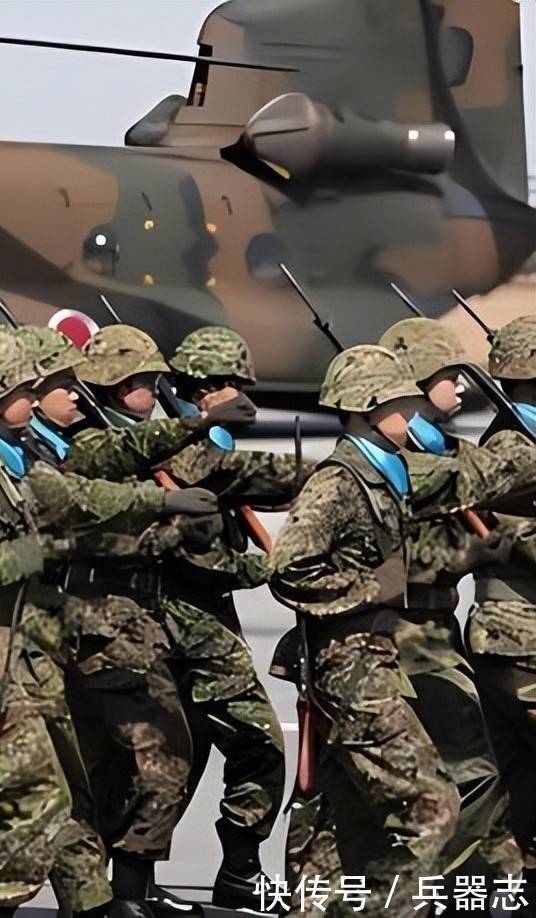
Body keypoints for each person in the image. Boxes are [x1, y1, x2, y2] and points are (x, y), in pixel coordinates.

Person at [0, 326, 203, 918]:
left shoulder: (11, 457)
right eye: (26, 389)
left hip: (17, 652)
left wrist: (161, 502)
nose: (39, 396)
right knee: (38, 799)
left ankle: (76, 904)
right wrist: (19, 558)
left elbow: (80, 498)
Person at [61, 324, 249, 917]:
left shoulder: (143, 440)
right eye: (147, 381)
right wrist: (175, 523)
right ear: (120, 388)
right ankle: (105, 895)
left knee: (155, 759)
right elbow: (111, 519)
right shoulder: (93, 446)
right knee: (131, 763)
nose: (160, 391)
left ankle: (126, 893)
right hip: (101, 620)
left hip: (140, 622)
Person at [271, 345, 460, 917]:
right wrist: (373, 587)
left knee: (337, 816)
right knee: (433, 804)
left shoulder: (381, 473)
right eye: (403, 403)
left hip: (368, 658)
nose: (414, 413)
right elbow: (287, 569)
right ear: (370, 406)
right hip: (349, 666)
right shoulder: (339, 482)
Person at [376, 317, 526, 886]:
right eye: (449, 374)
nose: (462, 385)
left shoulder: (439, 450)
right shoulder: (398, 461)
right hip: (408, 631)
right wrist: (473, 552)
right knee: (471, 772)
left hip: (436, 626)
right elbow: (399, 549)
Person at [160, 327, 293, 908]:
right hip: (181, 621)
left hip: (209, 621)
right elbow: (215, 495)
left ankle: (238, 869)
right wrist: (260, 569)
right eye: (235, 385)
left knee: (228, 748)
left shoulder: (211, 442)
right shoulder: (173, 448)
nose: (245, 397)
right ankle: (134, 879)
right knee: (204, 752)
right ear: (206, 388)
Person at [464, 315, 536, 888]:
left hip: (512, 627)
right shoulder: (513, 446)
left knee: (515, 771)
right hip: (519, 628)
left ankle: (509, 885)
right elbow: (504, 530)